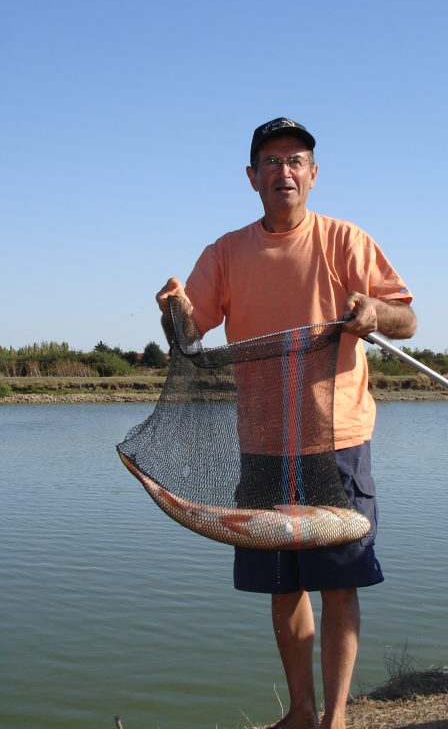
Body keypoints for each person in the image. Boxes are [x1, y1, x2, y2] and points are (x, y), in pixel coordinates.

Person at [156, 117, 416, 729]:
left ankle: (337, 717)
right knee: (283, 583)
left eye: (296, 160)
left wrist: (373, 310)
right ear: (252, 178)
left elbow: (407, 319)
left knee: (339, 582)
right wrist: (173, 311)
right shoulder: (224, 252)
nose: (284, 172)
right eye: (271, 162)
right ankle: (300, 711)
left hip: (337, 440)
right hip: (263, 446)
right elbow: (191, 333)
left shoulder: (345, 241)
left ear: (314, 173)